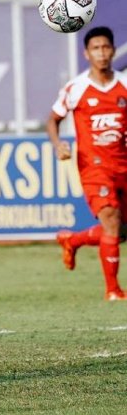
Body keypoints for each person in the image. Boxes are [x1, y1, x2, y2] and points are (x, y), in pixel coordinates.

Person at [47, 26, 127, 300]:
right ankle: (113, 290)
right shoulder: (76, 88)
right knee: (111, 222)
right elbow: (53, 119)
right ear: (86, 53)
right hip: (94, 168)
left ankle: (73, 239)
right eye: (96, 48)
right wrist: (58, 145)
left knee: (120, 232)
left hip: (123, 165)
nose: (101, 53)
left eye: (106, 47)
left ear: (113, 51)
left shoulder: (124, 85)